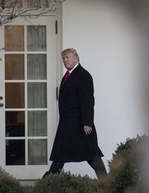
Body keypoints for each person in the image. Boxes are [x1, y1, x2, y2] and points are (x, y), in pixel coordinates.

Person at [43, 48, 107, 179]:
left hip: (80, 123)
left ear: (76, 58)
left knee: (92, 154)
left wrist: (87, 123)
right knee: (61, 153)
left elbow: (88, 101)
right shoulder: (68, 75)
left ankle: (106, 182)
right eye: (63, 58)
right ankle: (49, 181)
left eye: (68, 57)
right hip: (68, 123)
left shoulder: (83, 75)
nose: (65, 60)